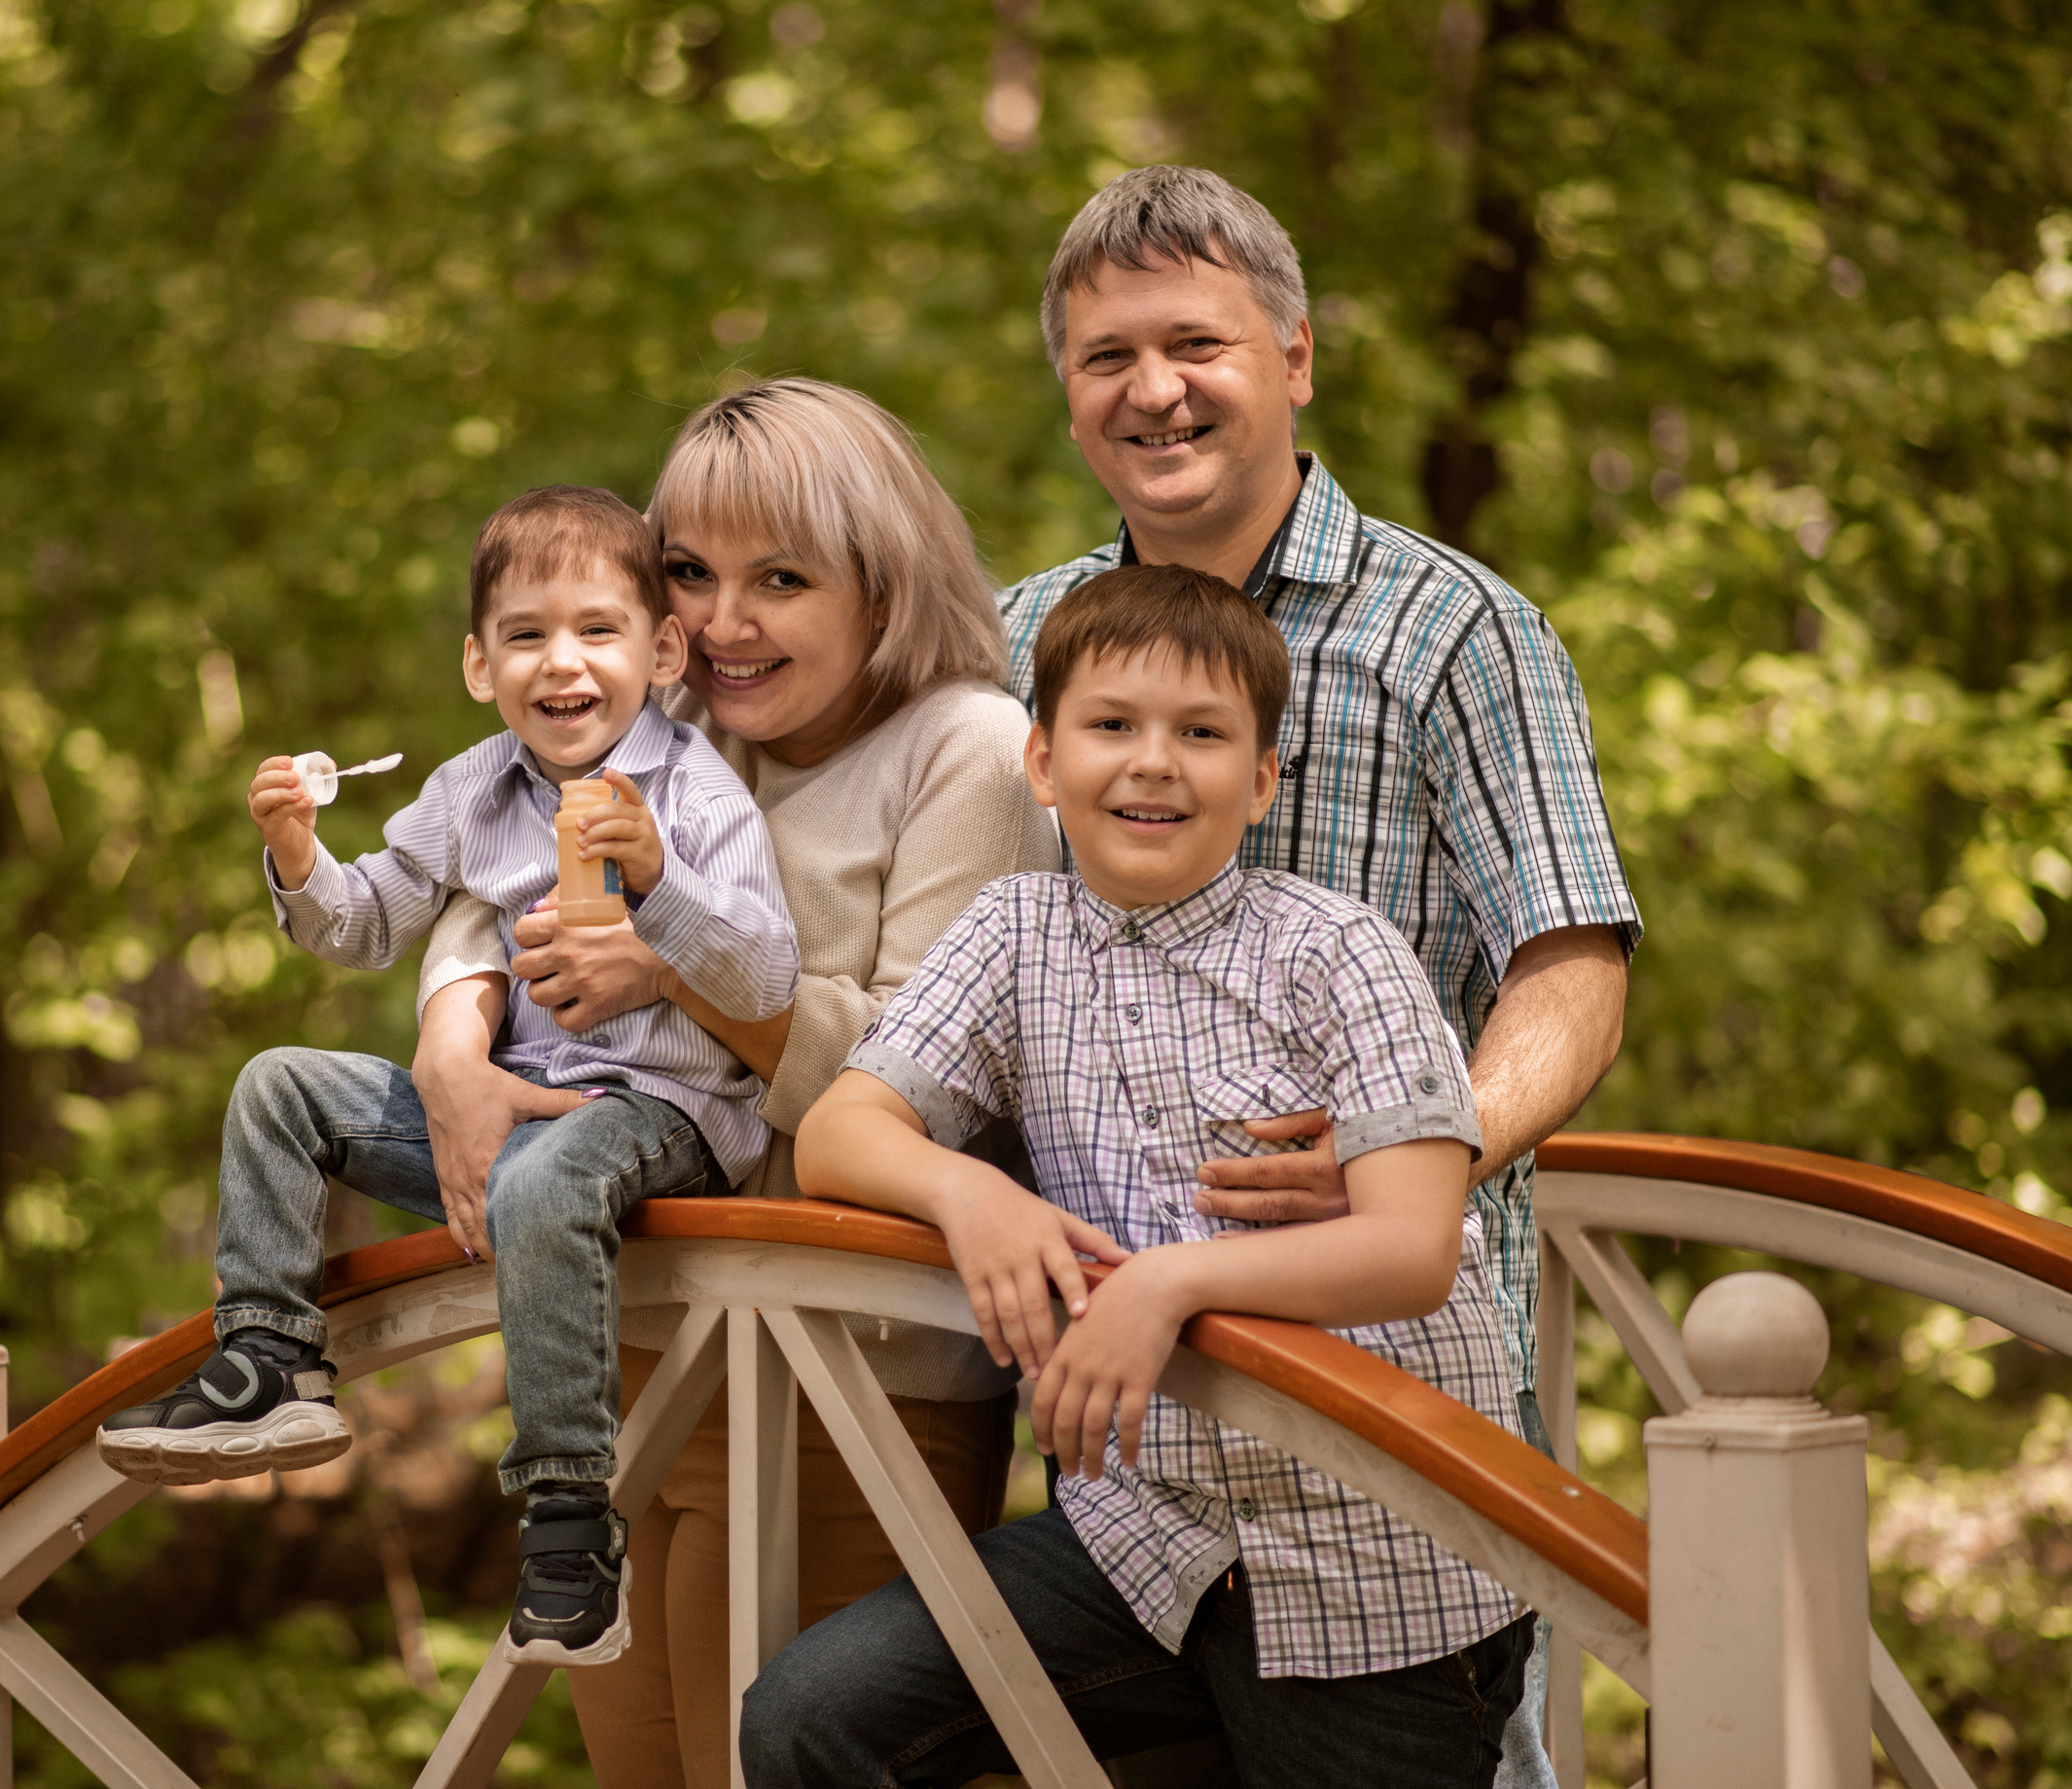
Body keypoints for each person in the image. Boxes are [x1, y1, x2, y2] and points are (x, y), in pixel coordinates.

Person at [990, 163, 1640, 1782]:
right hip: (1124, 1433)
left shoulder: (1451, 631)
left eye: (1195, 343)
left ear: (1293, 356)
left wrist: (1410, 1144)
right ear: (1068, 393)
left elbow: (1568, 962)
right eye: (1105, 356)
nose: (1153, 390)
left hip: (1394, 1409)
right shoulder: (1016, 642)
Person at [746, 563, 1532, 1787]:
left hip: (1376, 1561)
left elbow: (1411, 1248)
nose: (1153, 763)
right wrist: (973, 1194)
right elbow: (847, 1129)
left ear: (1261, 779)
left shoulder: (1338, 952)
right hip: (1142, 1537)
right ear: (1044, 764)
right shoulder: (1015, 934)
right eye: (1110, 726)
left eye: (1202, 734)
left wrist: (1165, 1285)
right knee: (811, 1715)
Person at [410, 378, 1059, 1788]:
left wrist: (675, 970)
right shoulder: (683, 729)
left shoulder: (969, 750)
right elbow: (490, 866)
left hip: (857, 1373)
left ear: (880, 589)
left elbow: (922, 1078)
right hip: (645, 1344)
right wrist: (450, 1044)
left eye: (781, 578)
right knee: (639, 1763)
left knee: (757, 1761)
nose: (722, 621)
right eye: (690, 575)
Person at [98, 484, 799, 1669]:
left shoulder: (692, 789)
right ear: (480, 665)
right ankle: (272, 1355)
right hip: (513, 1117)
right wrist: (296, 853)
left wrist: (661, 881)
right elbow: (366, 926)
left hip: (660, 1112)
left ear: (662, 652)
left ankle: (569, 1513)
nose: (560, 663)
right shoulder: (472, 790)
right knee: (279, 1083)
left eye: (596, 631)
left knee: (541, 1185)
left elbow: (767, 973)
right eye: (525, 636)